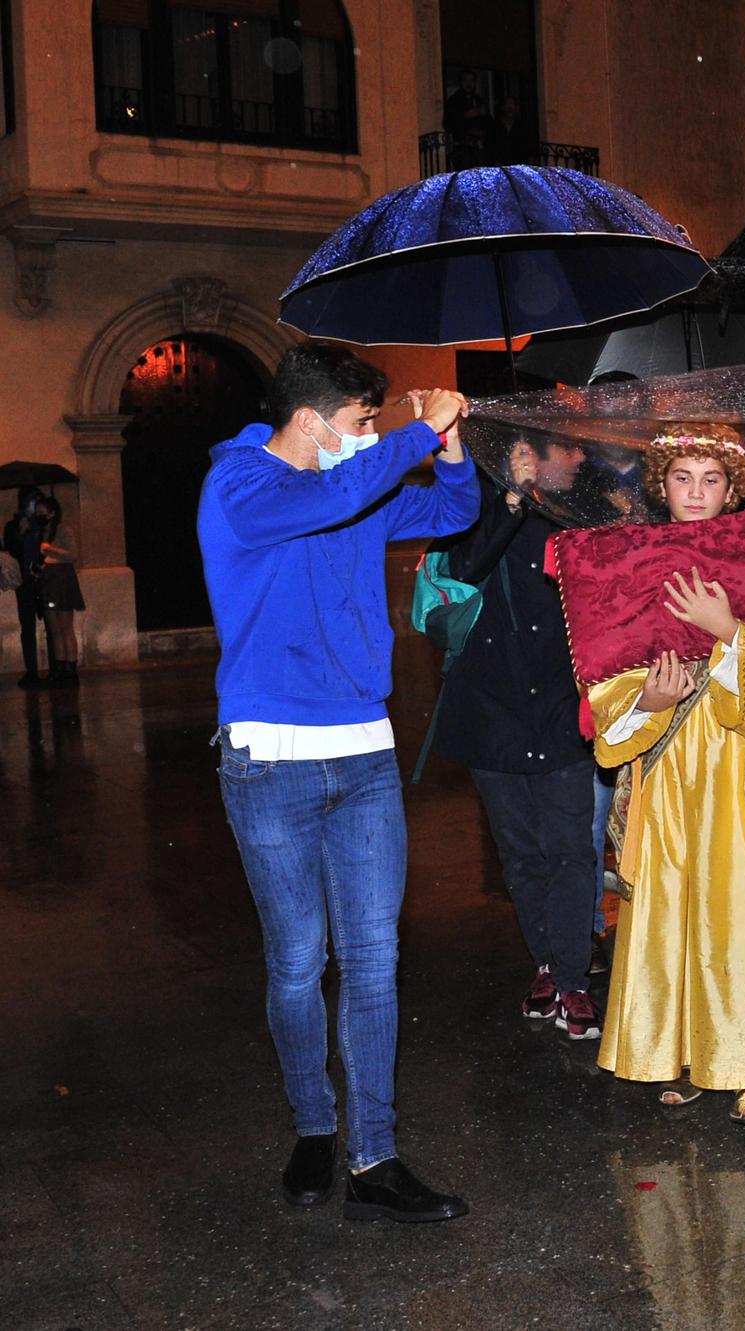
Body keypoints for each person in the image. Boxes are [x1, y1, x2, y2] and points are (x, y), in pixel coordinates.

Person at [197, 342, 477, 1222]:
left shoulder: (349, 479)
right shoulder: (240, 488)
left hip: (362, 752)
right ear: (311, 419)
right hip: (269, 757)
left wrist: (453, 440)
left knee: (372, 959)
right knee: (295, 962)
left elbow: (457, 508)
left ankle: (376, 1153)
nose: (370, 434)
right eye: (360, 419)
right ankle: (314, 1127)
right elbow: (331, 496)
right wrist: (412, 433)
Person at [586, 426, 745, 1125]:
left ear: (732, 487)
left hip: (742, 760)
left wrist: (729, 631)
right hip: (669, 773)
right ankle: (684, 1050)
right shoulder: (634, 562)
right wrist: (650, 701)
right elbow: (611, 686)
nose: (695, 491)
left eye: (710, 478)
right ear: (661, 484)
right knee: (677, 907)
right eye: (682, 477)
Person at [429, 435, 603, 1041]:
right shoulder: (470, 504)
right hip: (493, 712)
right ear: (526, 453)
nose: (579, 459)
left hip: (563, 707)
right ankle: (549, 965)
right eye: (568, 450)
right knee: (522, 854)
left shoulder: (584, 510)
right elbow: (462, 568)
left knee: (570, 849)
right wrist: (509, 501)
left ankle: (576, 979)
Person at [30, 496, 85, 687]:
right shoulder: (40, 531)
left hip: (63, 581)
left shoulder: (62, 529)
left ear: (52, 513)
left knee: (65, 628)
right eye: (36, 513)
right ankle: (59, 669)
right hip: (48, 582)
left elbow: (73, 554)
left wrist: (50, 549)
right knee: (54, 630)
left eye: (42, 513)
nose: (38, 516)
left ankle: (71, 669)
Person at [6, 488, 50, 687]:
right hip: (24, 583)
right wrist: (21, 533)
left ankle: (57, 669)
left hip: (43, 580)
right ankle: (31, 671)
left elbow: (49, 547)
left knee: (51, 624)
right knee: (28, 627)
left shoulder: (43, 524)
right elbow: (10, 549)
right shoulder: (12, 525)